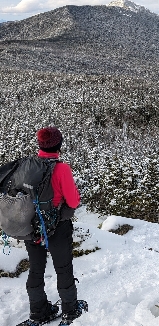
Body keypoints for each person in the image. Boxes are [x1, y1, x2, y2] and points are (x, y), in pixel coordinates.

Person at [21, 126, 87, 325]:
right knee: (63, 268)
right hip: (57, 226)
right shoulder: (61, 168)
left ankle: (38, 312)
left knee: (35, 269)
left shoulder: (27, 165)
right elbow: (74, 201)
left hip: (31, 226)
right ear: (59, 145)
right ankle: (70, 309)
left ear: (39, 144)